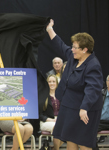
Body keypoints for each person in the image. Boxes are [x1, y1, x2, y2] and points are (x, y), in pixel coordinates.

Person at [46, 19, 103, 149]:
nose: (72, 49)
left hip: (85, 109)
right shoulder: (73, 57)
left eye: (75, 47)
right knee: (70, 139)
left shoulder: (93, 65)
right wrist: (49, 29)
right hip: (69, 105)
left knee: (83, 142)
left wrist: (84, 108)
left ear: (85, 50)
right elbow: (60, 45)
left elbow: (93, 89)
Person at [40, 74, 63, 150]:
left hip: (59, 120)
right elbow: (39, 115)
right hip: (46, 121)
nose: (52, 83)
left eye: (53, 81)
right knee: (57, 127)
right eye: (49, 82)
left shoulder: (61, 96)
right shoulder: (43, 96)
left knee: (70, 127)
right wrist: (51, 120)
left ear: (57, 83)